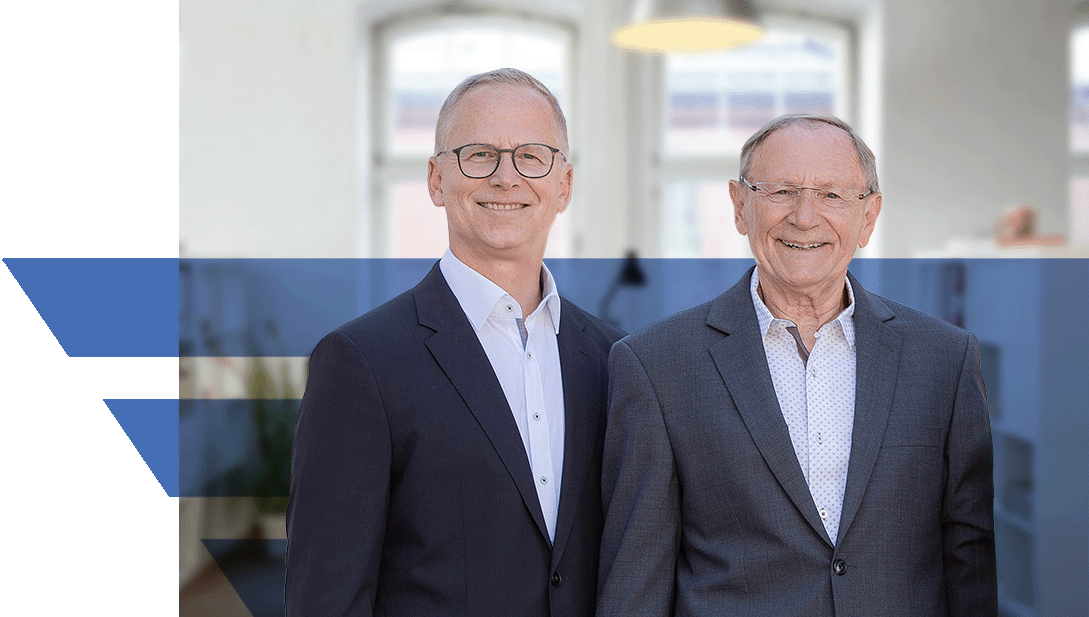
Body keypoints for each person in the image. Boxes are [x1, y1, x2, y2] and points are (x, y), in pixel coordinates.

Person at [597, 114, 996, 616]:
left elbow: (970, 556)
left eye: (832, 195)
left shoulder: (945, 360)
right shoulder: (655, 365)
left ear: (869, 217)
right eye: (781, 191)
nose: (805, 217)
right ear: (741, 207)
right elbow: (637, 577)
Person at [286, 68, 624, 616]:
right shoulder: (361, 363)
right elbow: (326, 597)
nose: (506, 178)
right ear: (436, 180)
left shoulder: (614, 359)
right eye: (478, 154)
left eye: (531, 156)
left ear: (563, 184)